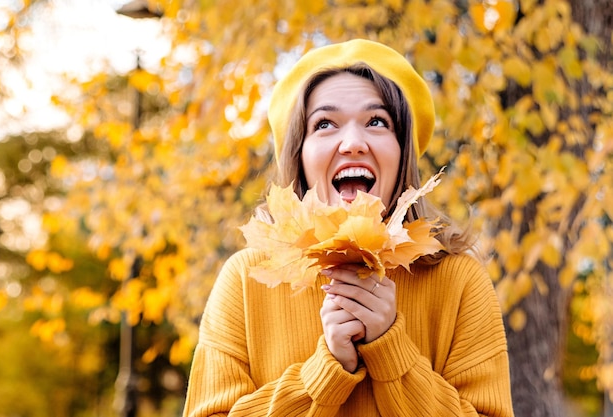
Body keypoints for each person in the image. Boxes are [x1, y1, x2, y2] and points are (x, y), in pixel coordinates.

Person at [182, 39, 514, 416]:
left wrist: (390, 349)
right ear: (300, 157)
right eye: (324, 124)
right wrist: (325, 373)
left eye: (377, 122)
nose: (353, 143)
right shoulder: (246, 280)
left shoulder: (460, 281)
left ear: (403, 152)